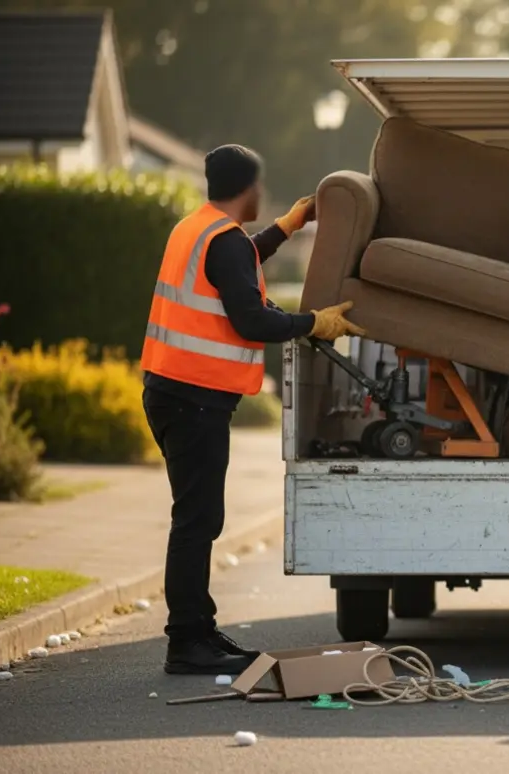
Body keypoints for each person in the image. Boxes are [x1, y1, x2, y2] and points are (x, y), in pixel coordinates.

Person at [140, 144, 365, 675]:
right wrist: (313, 323)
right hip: (193, 399)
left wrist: (285, 228)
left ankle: (198, 630)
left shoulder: (198, 229)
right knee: (196, 522)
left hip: (175, 392)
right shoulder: (224, 241)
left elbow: (237, 265)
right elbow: (251, 320)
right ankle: (186, 642)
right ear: (250, 188)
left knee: (197, 519)